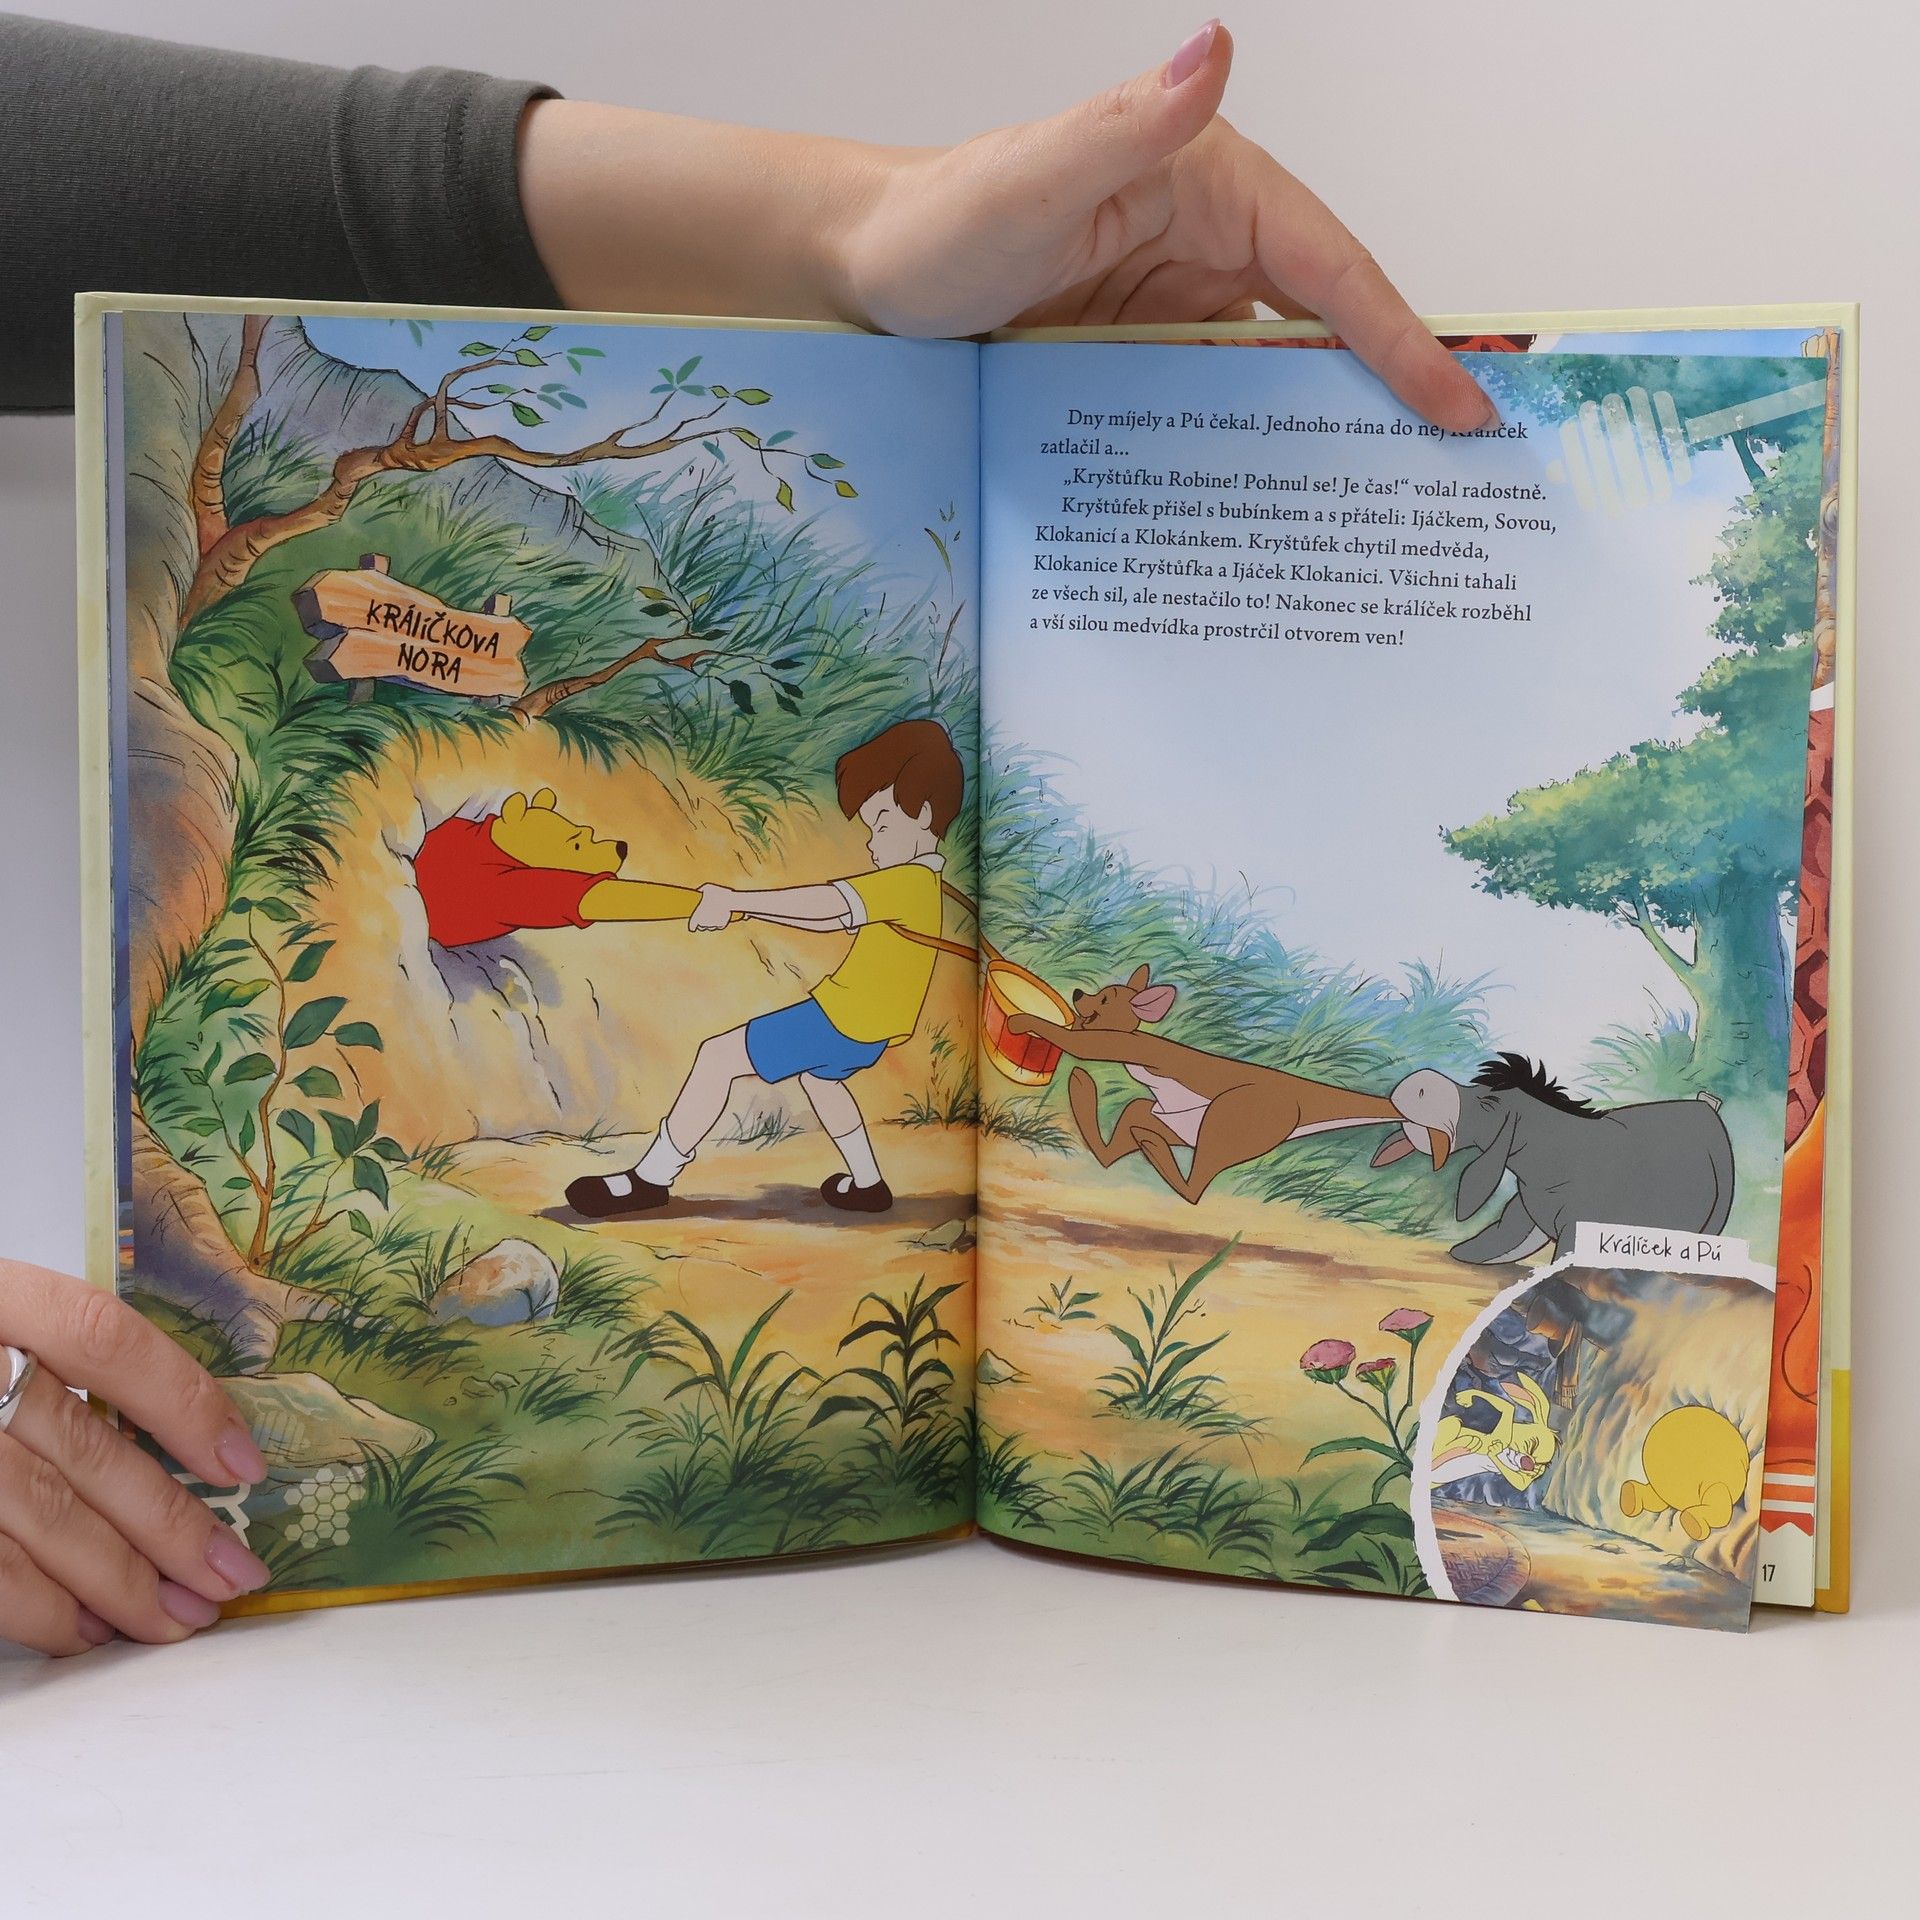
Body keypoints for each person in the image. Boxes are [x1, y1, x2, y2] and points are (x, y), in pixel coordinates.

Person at [0, 12, 1494, 1655]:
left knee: (734, 1059)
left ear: (912, 806)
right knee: (808, 1076)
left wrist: (864, 228)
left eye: (885, 800)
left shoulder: (898, 873)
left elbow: (841, 906)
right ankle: (842, 1176)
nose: (875, 814)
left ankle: (657, 1176)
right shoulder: (902, 876)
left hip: (849, 995)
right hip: (852, 1005)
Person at [567, 720, 965, 1219]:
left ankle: (651, 1177)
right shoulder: (925, 885)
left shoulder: (905, 882)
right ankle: (867, 1183)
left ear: (924, 813)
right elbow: (833, 916)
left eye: (881, 826)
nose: (871, 844)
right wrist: (745, 908)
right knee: (821, 1080)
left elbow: (829, 906)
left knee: (717, 1057)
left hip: (841, 1020)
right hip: (871, 1031)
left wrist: (737, 901)